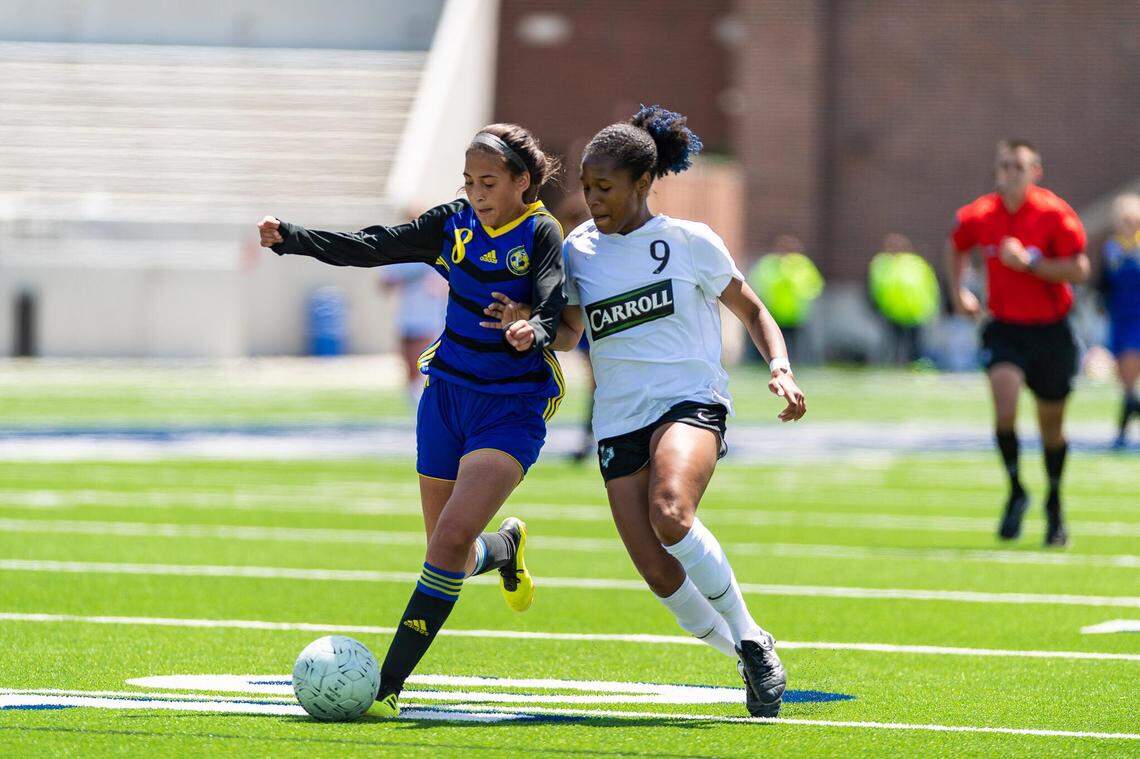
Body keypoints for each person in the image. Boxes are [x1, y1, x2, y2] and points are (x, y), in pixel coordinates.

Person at [486, 106, 806, 718]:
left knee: (671, 513)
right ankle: (747, 649)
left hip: (690, 401)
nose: (591, 198)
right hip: (616, 419)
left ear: (642, 182)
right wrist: (529, 327)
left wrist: (780, 367)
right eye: (585, 186)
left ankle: (748, 636)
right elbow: (572, 331)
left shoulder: (689, 242)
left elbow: (754, 310)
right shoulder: (578, 251)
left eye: (604, 187)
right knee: (661, 576)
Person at [257, 123, 567, 717]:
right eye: (469, 181)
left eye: (490, 182)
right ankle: (503, 549)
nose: (477, 193)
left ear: (522, 182)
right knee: (443, 550)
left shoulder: (543, 231)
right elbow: (376, 244)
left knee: (448, 541)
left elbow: (555, 297)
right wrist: (293, 238)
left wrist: (533, 324)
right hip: (445, 395)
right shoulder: (451, 222)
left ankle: (386, 687)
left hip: (510, 407)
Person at [945, 139, 1089, 547]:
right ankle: (1015, 490)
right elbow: (955, 245)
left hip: (1050, 329)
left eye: (1018, 166)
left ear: (1035, 171)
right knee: (1004, 405)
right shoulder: (982, 213)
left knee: (1051, 428)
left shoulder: (1054, 214)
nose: (1010, 173)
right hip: (1004, 326)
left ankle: (1054, 502)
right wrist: (960, 292)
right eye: (1004, 166)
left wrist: (1032, 264)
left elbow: (1080, 268)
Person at [1099, 193, 1140, 449]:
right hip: (1119, 316)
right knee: (1125, 380)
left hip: (1138, 317)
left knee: (1130, 366)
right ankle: (1123, 429)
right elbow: (1103, 284)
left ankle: (1122, 429)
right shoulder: (1111, 249)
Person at [378, 260, 448, 405]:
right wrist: (407, 277)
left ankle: (431, 408)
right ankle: (417, 411)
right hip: (406, 318)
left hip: (431, 319)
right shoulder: (401, 253)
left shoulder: (439, 249)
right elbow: (384, 283)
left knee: (428, 368)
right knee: (410, 372)